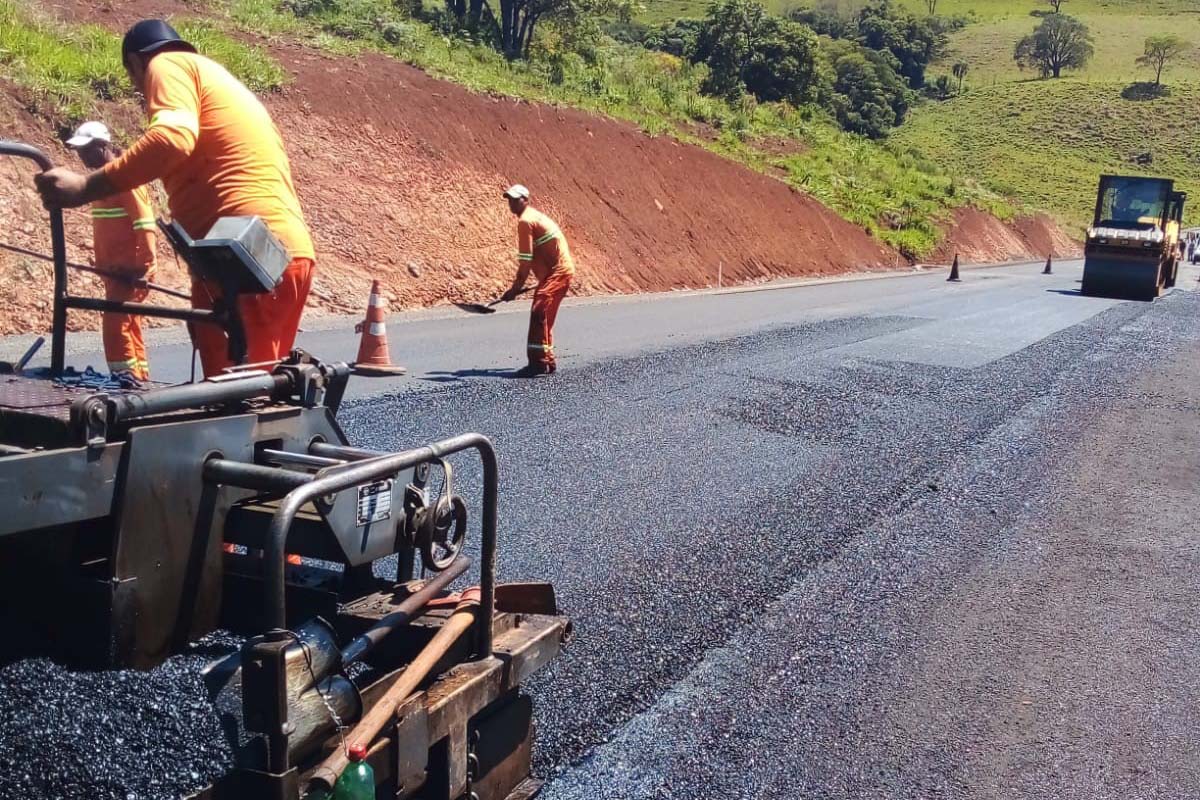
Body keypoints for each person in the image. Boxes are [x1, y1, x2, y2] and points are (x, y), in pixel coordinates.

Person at [34, 19, 314, 377]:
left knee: (235, 400)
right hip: (280, 255)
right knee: (260, 394)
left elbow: (171, 140)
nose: (141, 91)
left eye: (134, 80)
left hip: (242, 264)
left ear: (136, 62)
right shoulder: (216, 79)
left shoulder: (166, 65)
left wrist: (85, 188)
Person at [67, 121, 157, 383]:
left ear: (102, 145)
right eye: (79, 151)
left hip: (131, 273)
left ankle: (125, 379)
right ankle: (139, 378)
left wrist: (144, 268)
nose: (82, 156)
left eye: (86, 150)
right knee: (129, 325)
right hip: (115, 272)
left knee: (116, 327)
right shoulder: (102, 183)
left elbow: (145, 225)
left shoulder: (126, 179)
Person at [501, 185, 574, 377]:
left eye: (516, 199)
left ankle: (538, 363)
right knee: (545, 316)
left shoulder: (526, 221)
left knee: (538, 311)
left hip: (557, 272)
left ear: (526, 200)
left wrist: (514, 289)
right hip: (559, 272)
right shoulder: (535, 217)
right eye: (509, 199)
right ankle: (547, 360)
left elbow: (525, 262)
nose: (512, 203)